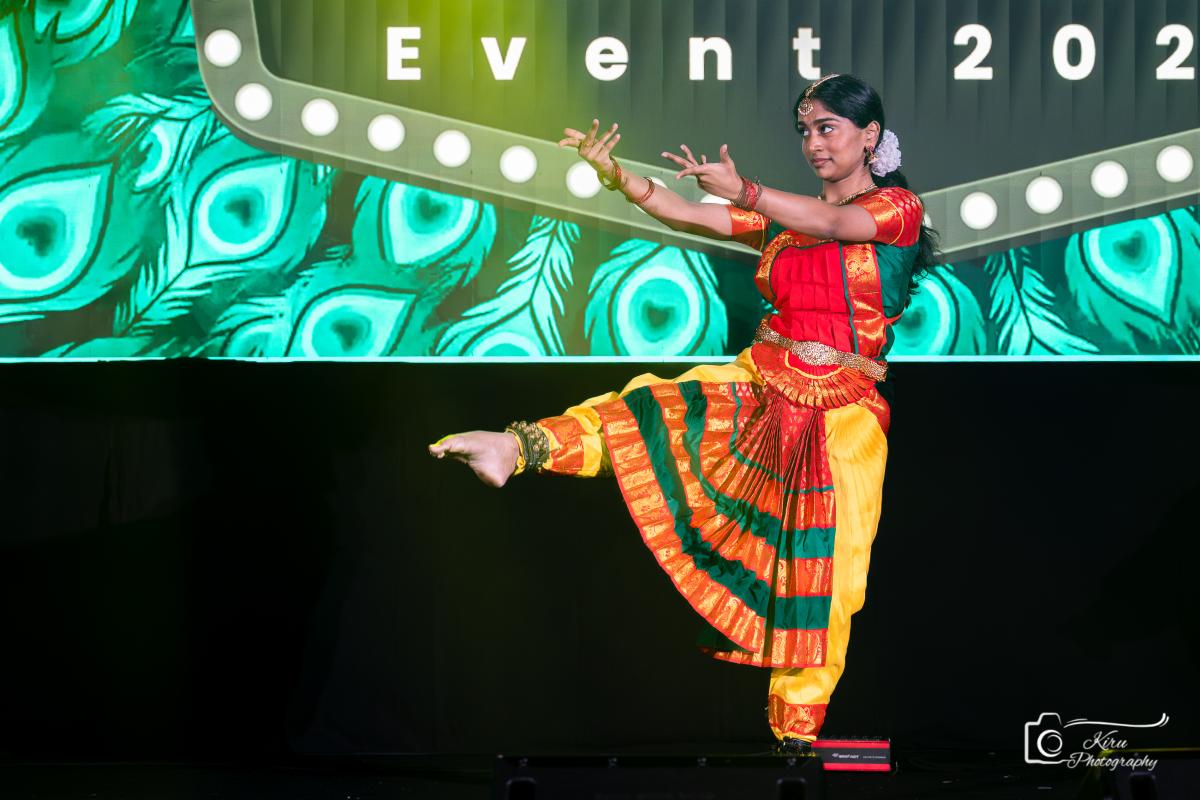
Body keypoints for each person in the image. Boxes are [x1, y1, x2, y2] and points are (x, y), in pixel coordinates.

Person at [428, 74, 939, 754]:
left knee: (829, 578)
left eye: (828, 129)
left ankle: (795, 741)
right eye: (806, 131)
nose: (814, 144)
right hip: (764, 382)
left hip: (845, 413)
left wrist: (747, 191)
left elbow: (834, 223)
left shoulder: (896, 209)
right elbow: (683, 213)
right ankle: (516, 448)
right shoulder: (782, 224)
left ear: (869, 135)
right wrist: (615, 176)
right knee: (653, 410)